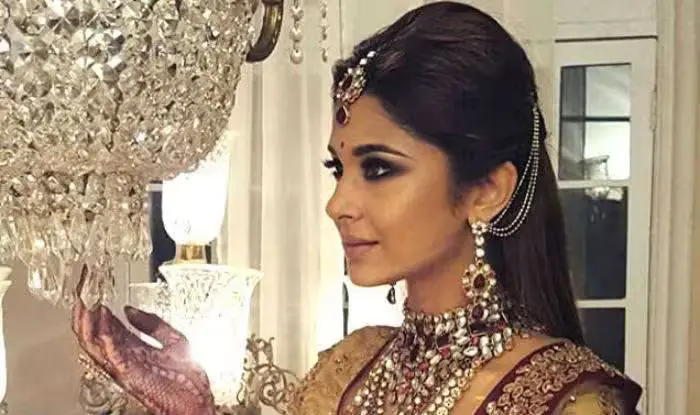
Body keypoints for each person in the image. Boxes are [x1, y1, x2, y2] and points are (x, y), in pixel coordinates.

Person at [72, 2, 643, 414]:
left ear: (487, 190)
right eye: (338, 169)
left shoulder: (563, 399)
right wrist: (197, 407)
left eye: (379, 168)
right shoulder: (348, 368)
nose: (337, 203)